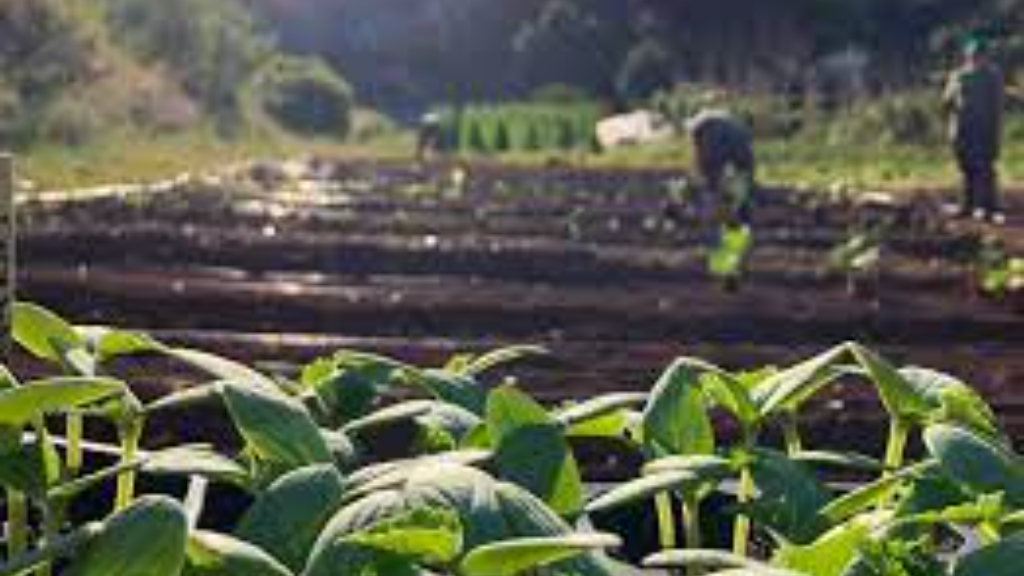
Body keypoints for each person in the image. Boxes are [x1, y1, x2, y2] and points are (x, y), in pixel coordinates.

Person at [943, 37, 1005, 223]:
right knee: (966, 169)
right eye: (973, 55)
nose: (976, 59)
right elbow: (946, 102)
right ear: (967, 56)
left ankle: (990, 208)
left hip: (984, 130)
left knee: (986, 170)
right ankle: (967, 206)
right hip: (962, 130)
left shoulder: (993, 76)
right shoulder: (958, 76)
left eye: (979, 55)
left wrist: (995, 133)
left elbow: (997, 107)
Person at [686, 107, 756, 226]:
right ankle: (739, 210)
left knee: (714, 180)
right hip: (740, 150)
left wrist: (705, 178)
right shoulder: (729, 127)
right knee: (741, 180)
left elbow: (706, 159)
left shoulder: (710, 130)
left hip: (730, 146)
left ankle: (720, 212)